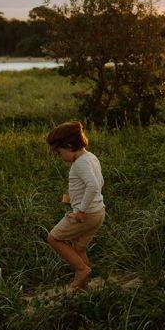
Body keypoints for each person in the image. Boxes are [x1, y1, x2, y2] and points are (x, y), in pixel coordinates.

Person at [45, 121, 105, 291]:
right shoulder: (90, 157)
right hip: (98, 212)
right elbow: (99, 183)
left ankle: (81, 270)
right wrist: (73, 198)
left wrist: (80, 210)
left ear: (70, 146)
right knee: (78, 248)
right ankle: (83, 288)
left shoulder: (80, 164)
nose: (60, 157)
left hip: (86, 214)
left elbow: (92, 186)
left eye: (59, 152)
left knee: (54, 238)